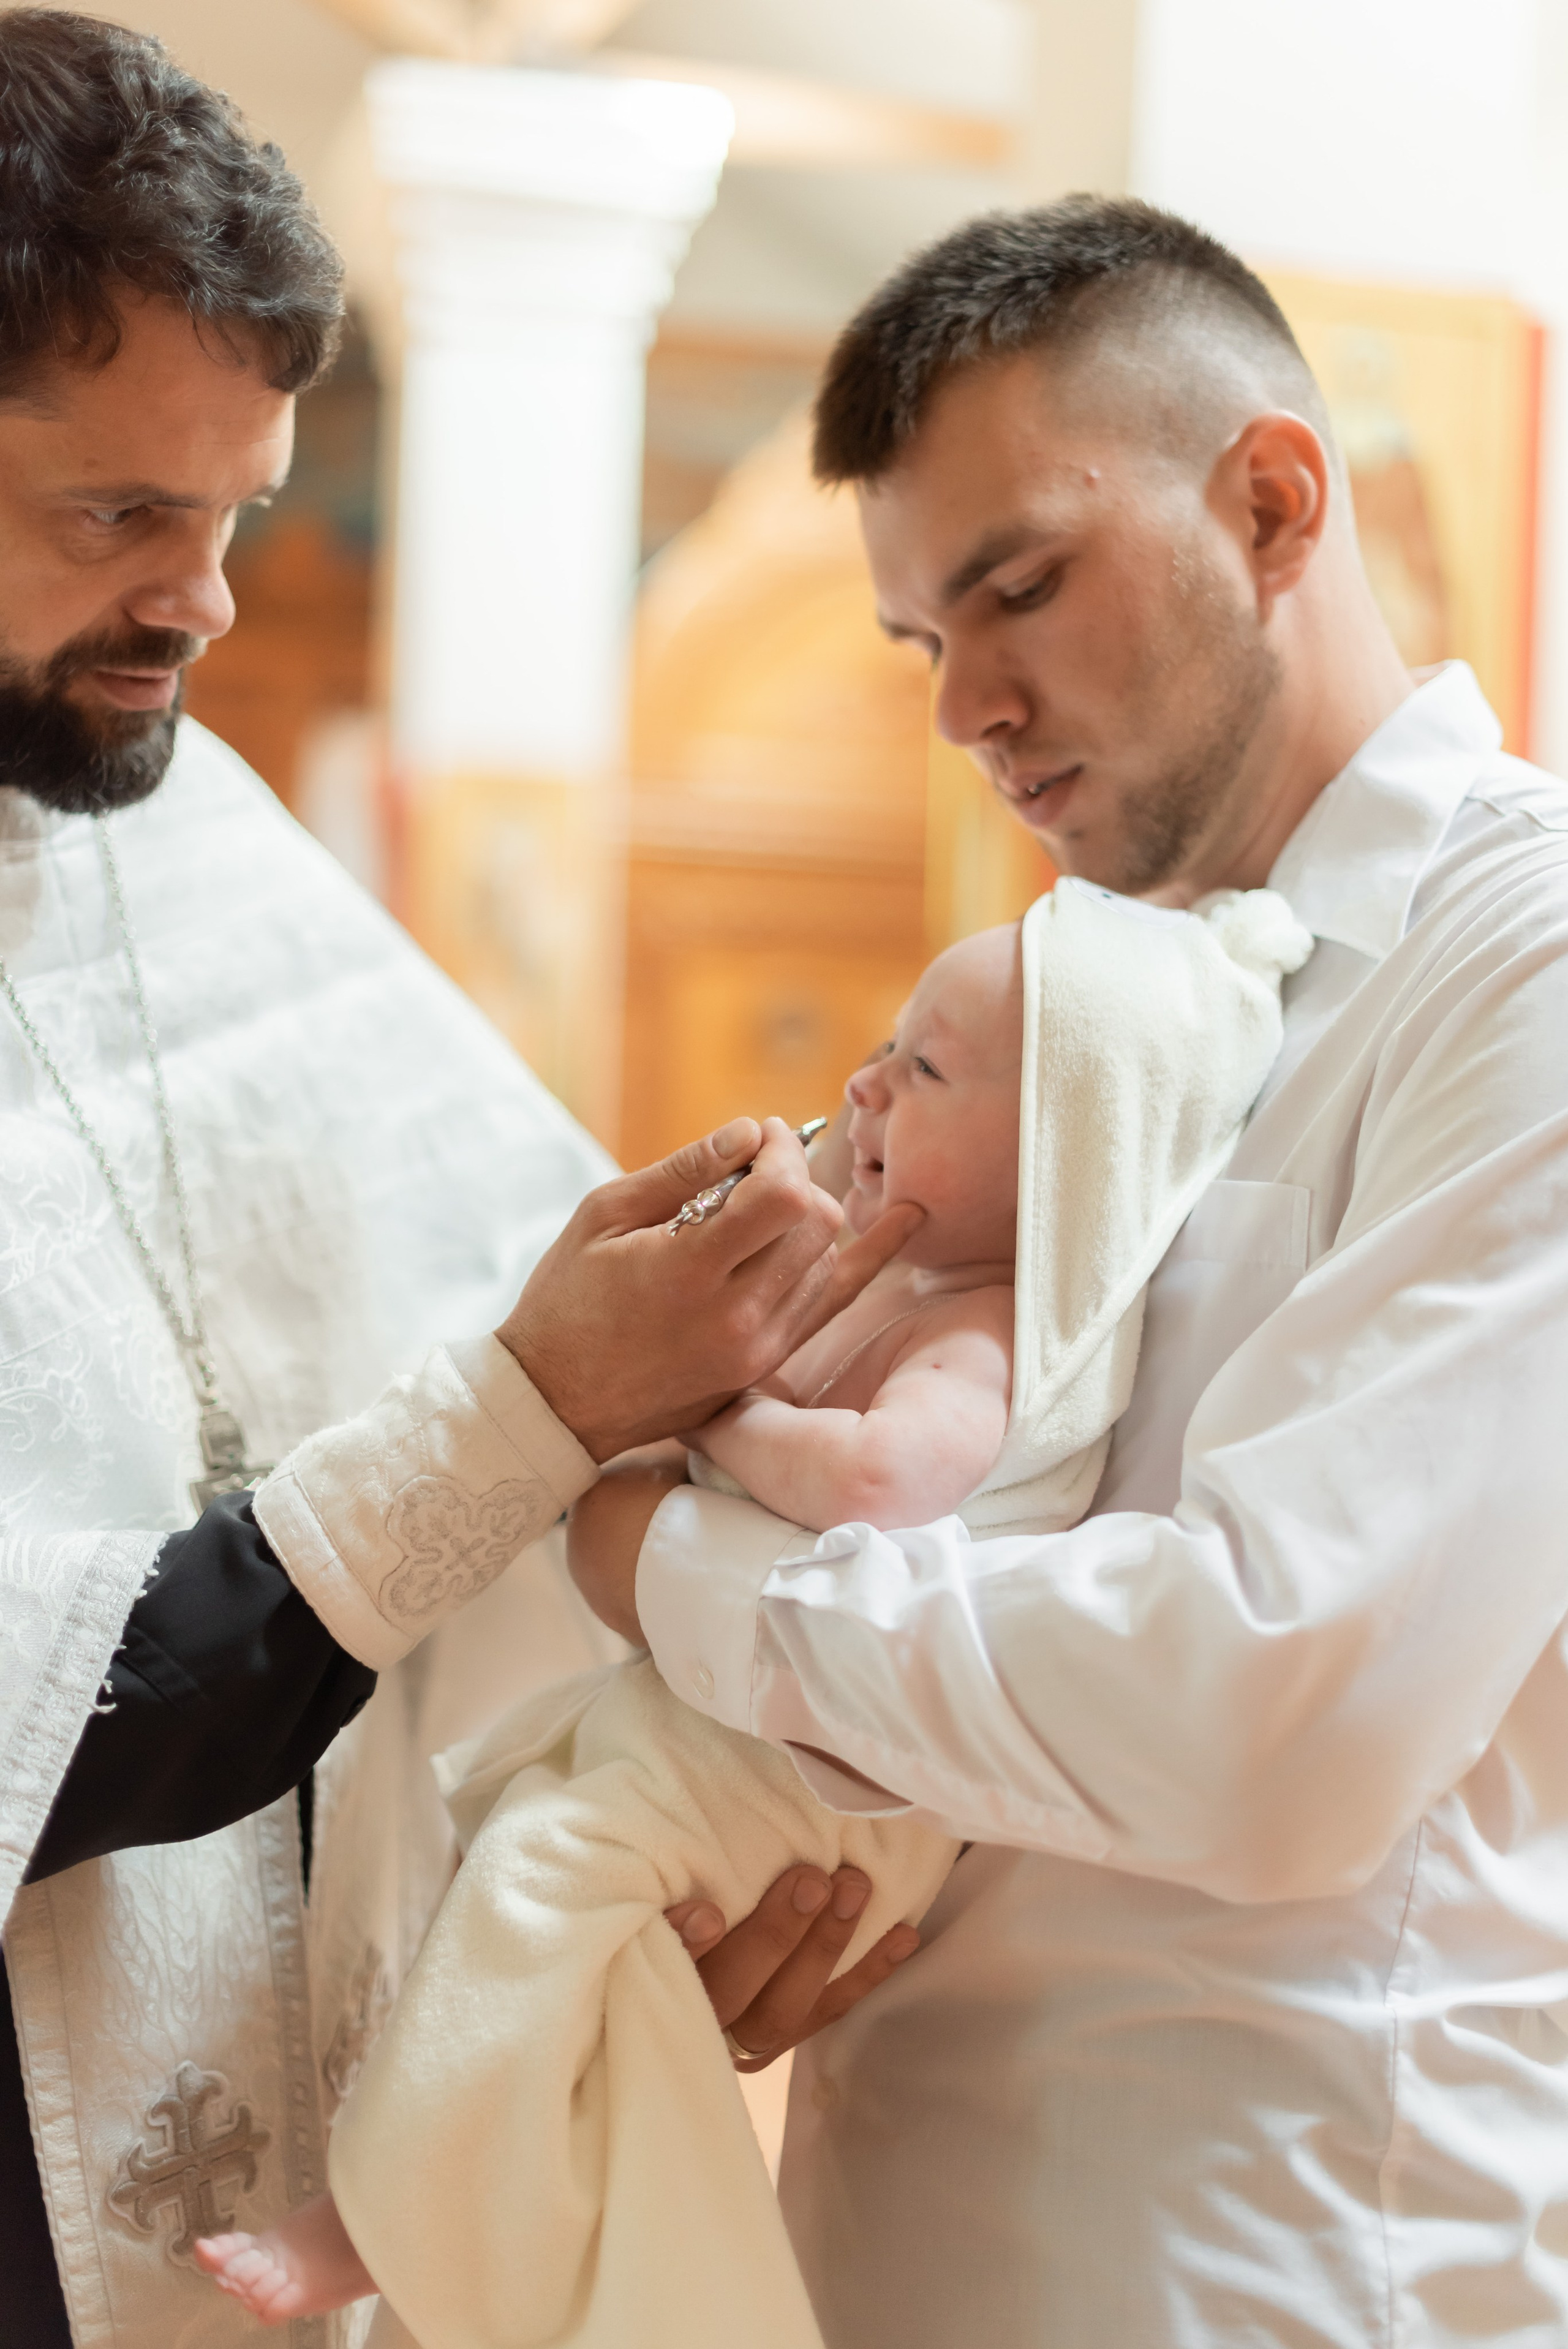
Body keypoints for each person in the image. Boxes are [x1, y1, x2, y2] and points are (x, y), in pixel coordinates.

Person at [564, 198, 1568, 2347]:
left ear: (1275, 500)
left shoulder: (1529, 966)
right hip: (888, 2229)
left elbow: (1277, 1707)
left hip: (1275, 2262)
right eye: (927, 641)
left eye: (1017, 587)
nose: (972, 709)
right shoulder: (1052, 1007)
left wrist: (672, 1576)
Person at [0, 17, 914, 2342]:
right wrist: (527, 1394)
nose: (203, 601)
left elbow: (510, 1540)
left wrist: (629, 1915)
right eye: (117, 514)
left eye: (239, 516)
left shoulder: (193, 840)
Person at [190, 884, 1308, 2343]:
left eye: (922, 1068)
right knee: (548, 1892)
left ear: (1060, 1155)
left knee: (546, 1875)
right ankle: (524, 2221)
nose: (864, 1084)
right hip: (769, 1731)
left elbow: (879, 1480)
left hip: (832, 1771)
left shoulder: (979, 1329)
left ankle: (385, 2212)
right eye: (884, 1047)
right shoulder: (906, 1284)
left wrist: (717, 1416)